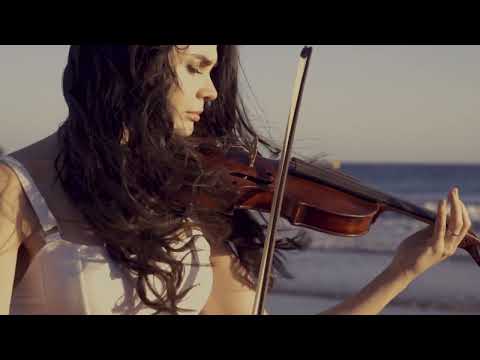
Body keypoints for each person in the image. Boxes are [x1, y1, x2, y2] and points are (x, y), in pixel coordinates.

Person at [0, 45, 473, 315]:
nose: (210, 90)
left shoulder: (191, 193)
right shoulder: (16, 187)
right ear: (131, 62)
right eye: (194, 66)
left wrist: (402, 271)